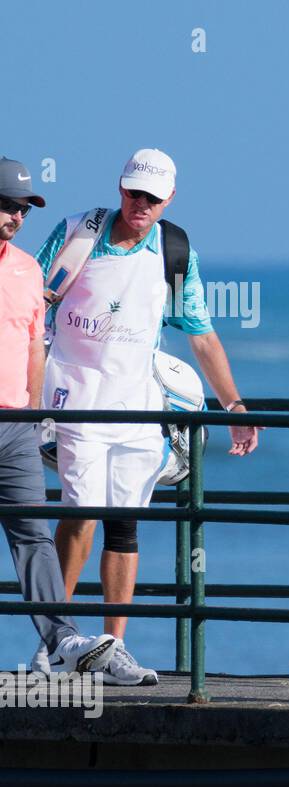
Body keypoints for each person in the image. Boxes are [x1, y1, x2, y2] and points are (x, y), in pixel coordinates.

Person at [34, 148, 262, 686]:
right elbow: (29, 303)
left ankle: (114, 648)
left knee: (125, 525)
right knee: (80, 512)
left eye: (153, 198)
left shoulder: (174, 252)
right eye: (135, 193)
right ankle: (55, 643)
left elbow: (201, 334)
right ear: (121, 188)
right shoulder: (77, 234)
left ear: (169, 200)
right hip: (75, 398)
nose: (142, 205)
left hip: (139, 407)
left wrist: (234, 406)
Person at [0, 157, 117, 675]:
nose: (15, 216)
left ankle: (61, 641)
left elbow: (31, 344)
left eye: (21, 207)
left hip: (15, 425)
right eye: (6, 204)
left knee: (33, 536)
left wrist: (34, 410)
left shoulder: (27, 269)